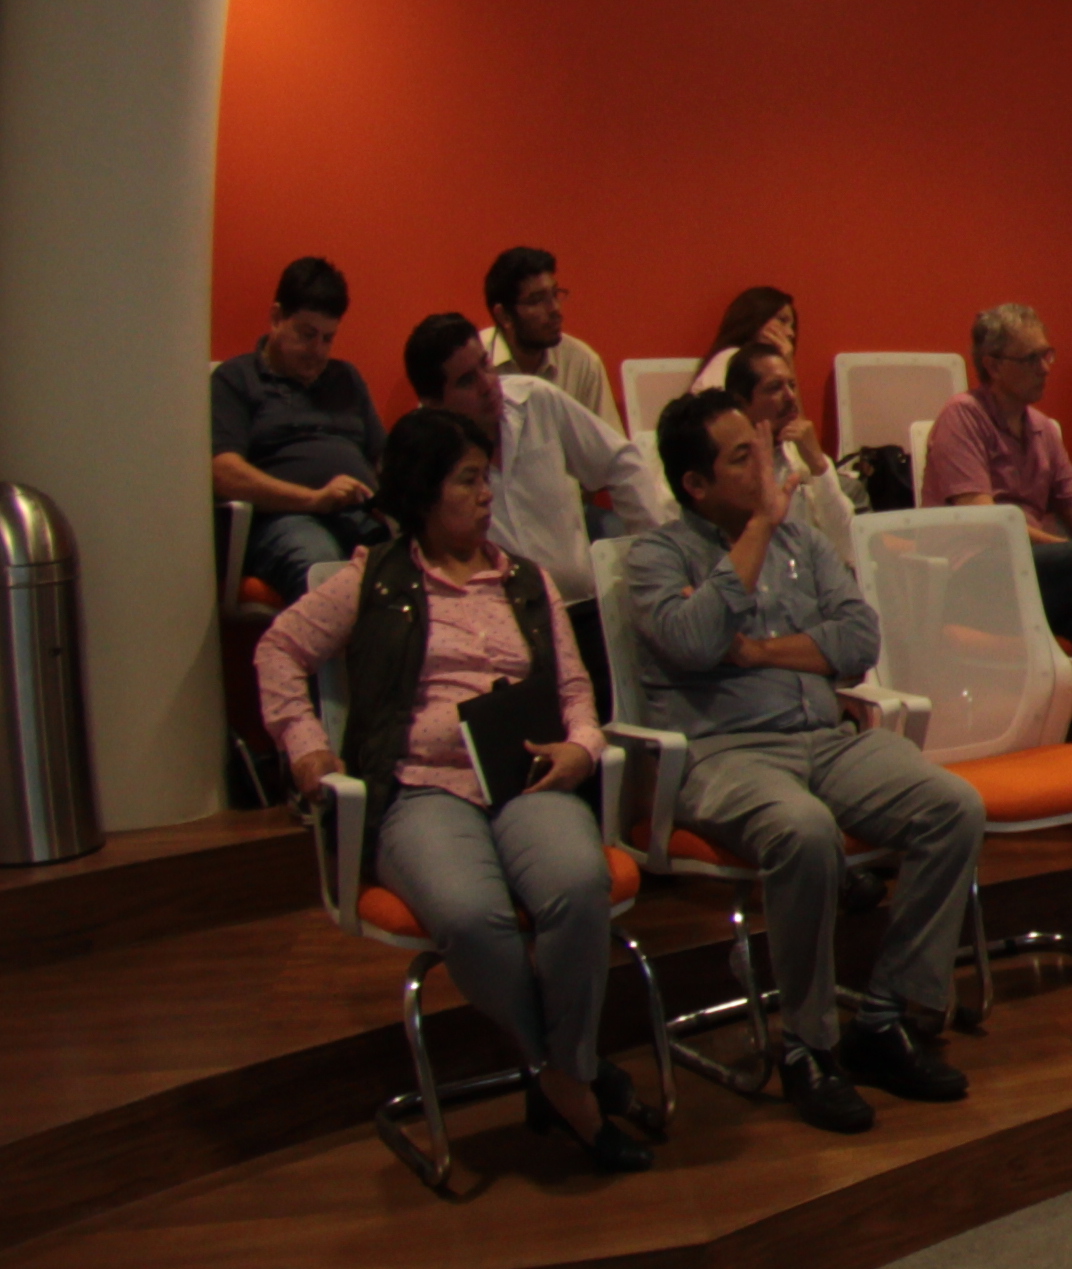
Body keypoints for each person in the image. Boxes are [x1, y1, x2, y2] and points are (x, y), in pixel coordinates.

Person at [252, 409, 648, 1174]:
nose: (486, 494)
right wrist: (307, 749)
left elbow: (574, 690)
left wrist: (580, 748)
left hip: (525, 777)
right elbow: (279, 651)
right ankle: (569, 1079)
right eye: (468, 480)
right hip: (418, 788)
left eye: (485, 476)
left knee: (576, 885)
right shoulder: (373, 578)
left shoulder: (526, 582)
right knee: (471, 916)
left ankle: (560, 1072)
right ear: (424, 492)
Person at [621, 390, 982, 1131]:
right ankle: (807, 1048)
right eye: (742, 457)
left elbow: (857, 640)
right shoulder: (657, 556)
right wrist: (757, 530)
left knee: (952, 807)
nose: (766, 465)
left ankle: (883, 1019)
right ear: (696, 484)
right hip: (724, 755)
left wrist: (756, 652)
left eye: (762, 449)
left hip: (824, 738)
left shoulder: (804, 544)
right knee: (805, 829)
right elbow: (693, 640)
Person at [396, 315, 657, 700]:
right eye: (466, 381)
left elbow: (622, 464)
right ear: (433, 404)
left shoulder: (536, 400)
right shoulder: (421, 457)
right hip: (497, 634)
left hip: (581, 611)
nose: (488, 384)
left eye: (485, 364)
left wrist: (652, 563)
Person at [923, 302, 1072, 647]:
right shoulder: (962, 416)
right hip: (976, 572)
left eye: (1047, 355)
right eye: (1031, 359)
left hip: (1036, 572)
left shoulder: (1044, 429)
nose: (1045, 369)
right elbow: (988, 523)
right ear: (993, 365)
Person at [212, 253, 386, 592]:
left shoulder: (346, 378)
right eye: (307, 335)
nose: (318, 351)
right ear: (277, 317)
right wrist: (314, 499)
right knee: (324, 570)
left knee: (417, 568)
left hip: (360, 517)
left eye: (328, 338)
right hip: (285, 520)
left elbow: (384, 458)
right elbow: (224, 473)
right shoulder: (236, 379)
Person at [701, 284, 855, 528]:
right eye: (782, 321)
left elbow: (845, 535)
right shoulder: (728, 362)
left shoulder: (787, 445)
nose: (790, 333)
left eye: (792, 385)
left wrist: (817, 462)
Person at [716, 337, 861, 577]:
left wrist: (819, 465)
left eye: (791, 385)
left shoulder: (804, 454)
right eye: (775, 388)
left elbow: (848, 546)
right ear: (741, 403)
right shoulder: (728, 468)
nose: (791, 396)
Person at [478, 244, 612, 432]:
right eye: (537, 300)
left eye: (555, 294)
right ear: (504, 316)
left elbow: (607, 445)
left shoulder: (582, 362)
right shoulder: (473, 361)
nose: (555, 309)